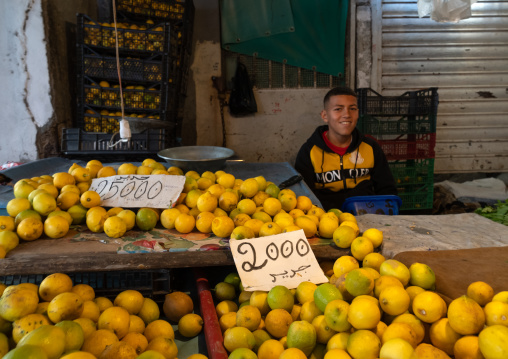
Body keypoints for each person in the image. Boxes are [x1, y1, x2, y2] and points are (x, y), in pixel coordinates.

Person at [295, 86, 397, 211]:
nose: (347, 115)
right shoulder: (309, 151)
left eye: (352, 109)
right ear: (325, 115)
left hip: (367, 215)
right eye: (338, 109)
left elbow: (387, 190)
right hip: (327, 219)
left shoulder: (371, 148)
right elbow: (304, 198)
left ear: (358, 113)